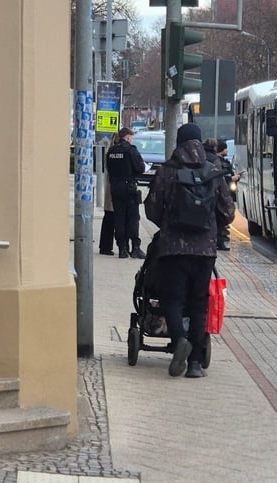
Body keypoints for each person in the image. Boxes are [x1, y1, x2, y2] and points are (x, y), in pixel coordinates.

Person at [145, 123, 235, 379]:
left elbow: (151, 209)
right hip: (205, 252)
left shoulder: (167, 171)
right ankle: (195, 363)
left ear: (179, 142)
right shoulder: (213, 172)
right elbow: (228, 213)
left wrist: (168, 224)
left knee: (173, 300)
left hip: (173, 249)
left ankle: (179, 340)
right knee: (198, 304)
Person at [107, 127, 146, 259]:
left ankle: (122, 248)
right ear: (128, 137)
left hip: (116, 188)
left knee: (119, 218)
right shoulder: (131, 150)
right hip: (129, 188)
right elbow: (140, 168)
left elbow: (109, 169)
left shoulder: (111, 151)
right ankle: (135, 247)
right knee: (133, 218)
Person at [98, 134, 120, 256]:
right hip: (115, 189)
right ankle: (111, 246)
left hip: (110, 188)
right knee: (112, 219)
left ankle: (105, 246)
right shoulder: (116, 152)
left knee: (108, 218)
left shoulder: (109, 152)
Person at [215, 140, 239, 251]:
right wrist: (231, 179)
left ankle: (221, 239)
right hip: (222, 194)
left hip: (226, 193)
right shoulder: (218, 162)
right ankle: (220, 241)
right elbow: (221, 177)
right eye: (225, 148)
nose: (227, 150)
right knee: (222, 218)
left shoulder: (224, 162)